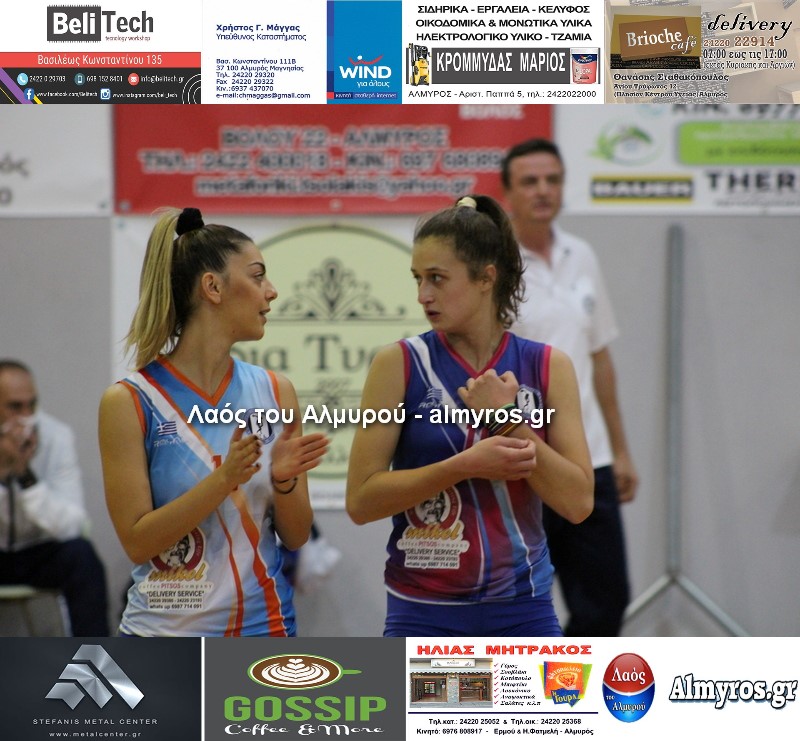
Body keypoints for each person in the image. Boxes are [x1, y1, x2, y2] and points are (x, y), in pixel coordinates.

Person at [346, 194, 593, 637]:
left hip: (524, 611)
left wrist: (508, 420)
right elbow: (361, 502)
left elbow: (577, 504)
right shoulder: (397, 364)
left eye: (437, 279)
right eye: (418, 279)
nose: (423, 295)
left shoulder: (547, 365)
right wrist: (463, 466)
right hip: (422, 612)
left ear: (485, 278)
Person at [98, 207, 328, 637]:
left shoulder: (276, 391)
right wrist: (224, 479)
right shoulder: (130, 401)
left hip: (265, 628)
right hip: (165, 634)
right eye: (257, 276)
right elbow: (137, 542)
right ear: (213, 287)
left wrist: (284, 482)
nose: (272, 291)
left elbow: (297, 537)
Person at [501, 138, 639, 636]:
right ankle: (524, 685)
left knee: (606, 603)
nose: (543, 190)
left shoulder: (582, 254)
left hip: (590, 459)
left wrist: (620, 450)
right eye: (530, 181)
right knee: (518, 606)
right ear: (507, 193)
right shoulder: (494, 267)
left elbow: (599, 358)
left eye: (552, 180)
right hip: (525, 461)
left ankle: (567, 684)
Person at [0, 360, 109, 636]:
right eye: (15, 407)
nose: (26, 416)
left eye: (32, 405)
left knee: (82, 556)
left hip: (37, 551)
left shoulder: (55, 436)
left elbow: (72, 525)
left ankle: (95, 659)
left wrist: (25, 476)